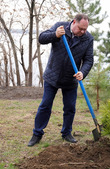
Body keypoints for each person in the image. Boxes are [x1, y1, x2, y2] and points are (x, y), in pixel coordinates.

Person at [28, 14, 94, 147]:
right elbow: (41, 38)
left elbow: (88, 60)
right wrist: (55, 35)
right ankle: (37, 134)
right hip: (53, 75)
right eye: (81, 28)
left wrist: (83, 72)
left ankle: (66, 133)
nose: (83, 32)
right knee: (45, 105)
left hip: (71, 79)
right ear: (74, 22)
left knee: (70, 107)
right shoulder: (60, 27)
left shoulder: (88, 39)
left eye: (85, 29)